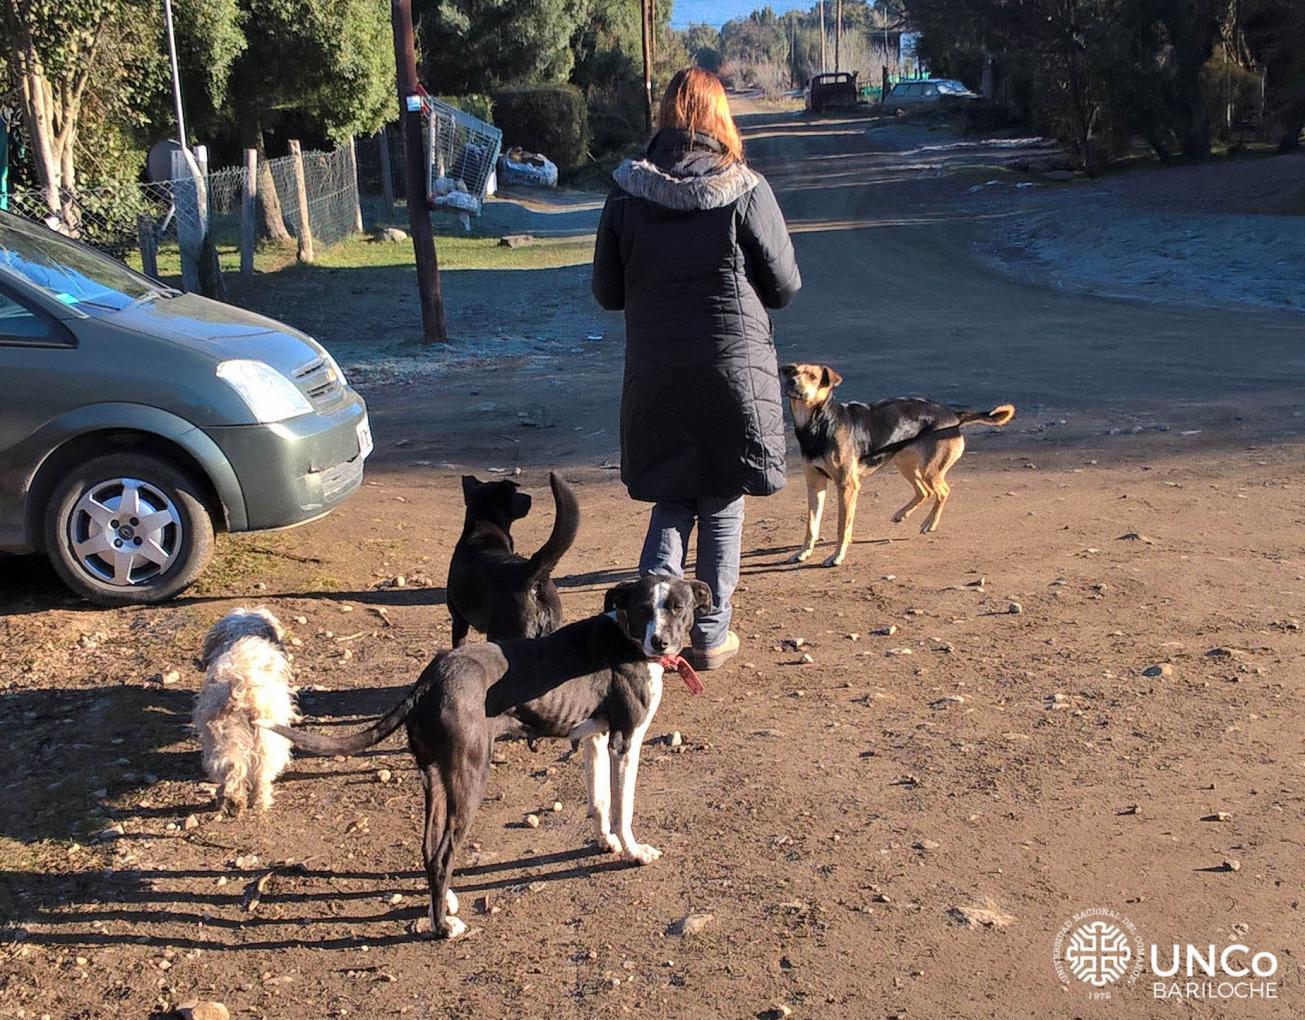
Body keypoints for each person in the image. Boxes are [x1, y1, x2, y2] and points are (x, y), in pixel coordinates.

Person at [591, 67, 801, 670]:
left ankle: (649, 632)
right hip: (734, 378)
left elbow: (607, 291)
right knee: (723, 499)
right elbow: (785, 286)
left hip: (657, 376)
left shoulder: (625, 192)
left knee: (673, 498)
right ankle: (709, 634)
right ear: (720, 119)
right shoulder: (747, 190)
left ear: (665, 117)